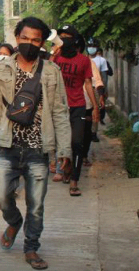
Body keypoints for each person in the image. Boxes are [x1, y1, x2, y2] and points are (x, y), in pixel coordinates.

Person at [0, 16, 72, 270]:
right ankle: (13, 221)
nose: (29, 44)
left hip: (38, 149)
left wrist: (63, 149)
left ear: (42, 42)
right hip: (7, 145)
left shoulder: (52, 71)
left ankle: (31, 247)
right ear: (16, 38)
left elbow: (60, 112)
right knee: (1, 195)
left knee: (37, 204)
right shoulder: (1, 70)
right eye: (25, 38)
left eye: (35, 40)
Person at [52, 26, 99, 197]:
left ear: (74, 39)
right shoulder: (56, 58)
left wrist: (94, 108)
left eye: (67, 37)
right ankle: (66, 166)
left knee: (77, 143)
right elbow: (46, 73)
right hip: (59, 107)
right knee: (61, 143)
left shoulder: (83, 60)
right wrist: (54, 52)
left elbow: (87, 83)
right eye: (61, 36)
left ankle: (74, 180)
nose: (64, 39)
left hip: (78, 105)